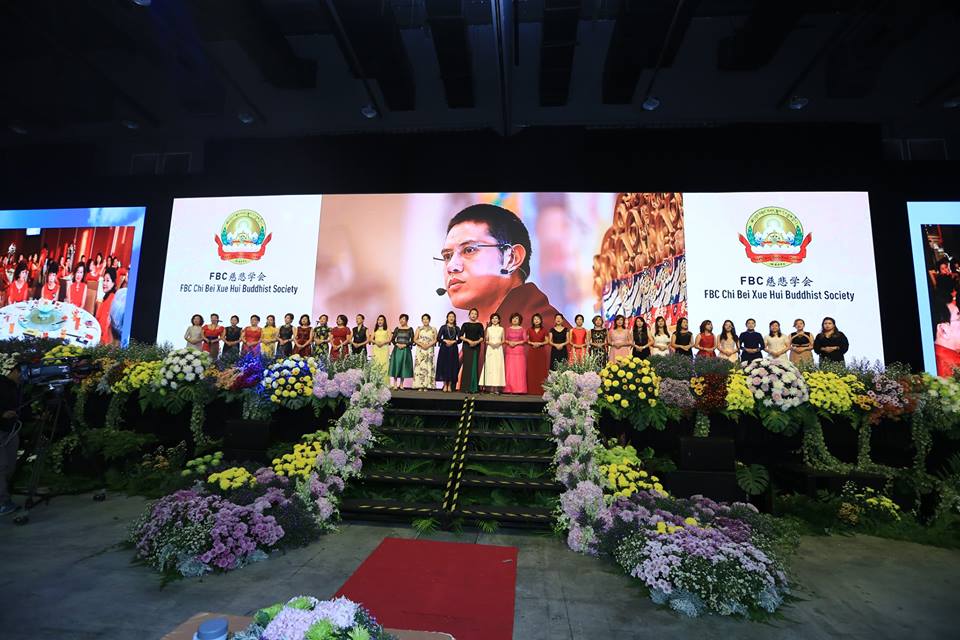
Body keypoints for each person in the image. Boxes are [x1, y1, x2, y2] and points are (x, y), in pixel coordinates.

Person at [440, 204, 561, 336]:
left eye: (469, 250)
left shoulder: (542, 332)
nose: (451, 266)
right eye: (447, 256)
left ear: (511, 258)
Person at [1, 363, 22, 515]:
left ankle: (4, 498)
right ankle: (2, 502)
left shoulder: (17, 388)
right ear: (15, 371)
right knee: (1, 466)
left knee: (9, 466)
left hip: (11, 430)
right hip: (2, 429)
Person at [459, 308, 484, 393]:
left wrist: (476, 342)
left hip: (476, 347)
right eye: (472, 313)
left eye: (475, 314)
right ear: (469, 315)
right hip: (467, 346)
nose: (473, 315)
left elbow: (482, 337)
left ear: (477, 316)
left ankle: (473, 388)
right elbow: (460, 336)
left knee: (474, 366)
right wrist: (469, 341)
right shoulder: (465, 324)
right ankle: (465, 387)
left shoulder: (479, 325)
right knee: (467, 366)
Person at [480, 313, 506, 393]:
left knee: (498, 367)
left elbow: (503, 340)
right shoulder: (488, 329)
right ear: (491, 320)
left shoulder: (501, 329)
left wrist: (498, 343)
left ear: (499, 320)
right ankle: (489, 387)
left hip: (498, 349)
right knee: (490, 367)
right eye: (493, 318)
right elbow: (486, 340)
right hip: (490, 349)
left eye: (496, 318)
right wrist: (490, 343)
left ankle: (497, 387)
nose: (494, 320)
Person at [436, 311, 461, 392]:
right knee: (444, 366)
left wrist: (454, 341)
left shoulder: (457, 328)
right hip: (444, 349)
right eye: (450, 316)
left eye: (453, 317)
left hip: (453, 349)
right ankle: (444, 385)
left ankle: (449, 385)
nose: (451, 318)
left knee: (452, 366)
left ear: (455, 318)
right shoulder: (443, 327)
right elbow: (438, 338)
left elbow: (460, 339)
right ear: (447, 318)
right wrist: (445, 340)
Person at [526, 313, 550, 395]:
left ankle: (541, 390)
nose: (536, 320)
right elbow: (527, 340)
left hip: (541, 351)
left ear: (540, 320)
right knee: (532, 370)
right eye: (535, 319)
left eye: (538, 319)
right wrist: (532, 343)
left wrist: (540, 343)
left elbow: (547, 341)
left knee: (541, 370)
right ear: (532, 321)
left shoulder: (544, 330)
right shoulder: (529, 330)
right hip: (532, 351)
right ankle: (531, 390)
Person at [504, 312, 527, 394]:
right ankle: (508, 388)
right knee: (509, 369)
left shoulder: (522, 329)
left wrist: (516, 343)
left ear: (520, 320)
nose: (515, 320)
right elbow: (505, 339)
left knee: (519, 370)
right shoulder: (508, 329)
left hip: (519, 350)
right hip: (509, 350)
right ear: (511, 319)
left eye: (517, 318)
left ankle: (519, 389)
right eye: (513, 318)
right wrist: (509, 342)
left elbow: (525, 340)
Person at [389, 314, 414, 389]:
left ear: (407, 320)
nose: (401, 320)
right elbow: (393, 339)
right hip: (397, 349)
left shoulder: (410, 329)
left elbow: (412, 340)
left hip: (405, 350)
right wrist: (397, 344)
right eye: (400, 319)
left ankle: (401, 384)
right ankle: (395, 383)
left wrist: (405, 345)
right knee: (396, 365)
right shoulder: (397, 329)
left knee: (403, 366)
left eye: (403, 319)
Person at [413, 314, 437, 390]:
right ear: (422, 320)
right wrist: (422, 345)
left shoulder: (433, 329)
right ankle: (420, 385)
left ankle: (427, 385)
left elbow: (435, 339)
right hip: (420, 349)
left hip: (429, 350)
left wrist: (428, 345)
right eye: (424, 319)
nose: (425, 320)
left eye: (427, 319)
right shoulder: (419, 328)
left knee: (428, 366)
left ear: (429, 320)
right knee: (420, 366)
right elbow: (415, 339)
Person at [95, 268, 118, 346]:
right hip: (99, 333)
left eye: (107, 280)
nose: (104, 283)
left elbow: (106, 326)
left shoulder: (111, 298)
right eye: (104, 280)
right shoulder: (107, 296)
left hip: (102, 341)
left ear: (113, 283)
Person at [371, 315, 391, 383]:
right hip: (376, 348)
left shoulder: (387, 329)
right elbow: (371, 339)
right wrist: (376, 342)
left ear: (384, 321)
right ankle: (375, 382)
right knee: (376, 364)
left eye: (381, 320)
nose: (380, 321)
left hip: (384, 348)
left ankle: (384, 382)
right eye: (379, 320)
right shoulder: (374, 329)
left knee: (384, 364)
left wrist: (383, 342)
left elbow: (389, 339)